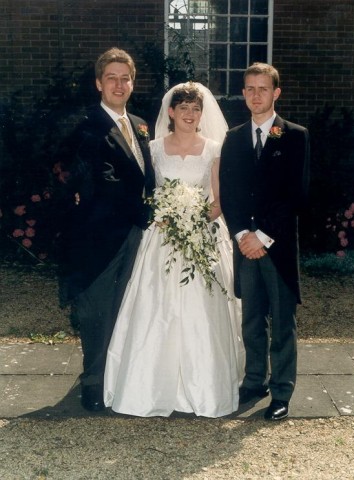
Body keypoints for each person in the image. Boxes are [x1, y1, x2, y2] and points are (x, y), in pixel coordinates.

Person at [103, 82, 244, 418]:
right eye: (184, 109)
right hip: (161, 237)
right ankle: (149, 386)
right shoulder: (153, 148)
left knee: (204, 311)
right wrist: (166, 216)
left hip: (201, 235)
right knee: (155, 308)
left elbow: (219, 200)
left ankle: (205, 388)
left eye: (196, 109)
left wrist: (194, 220)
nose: (190, 115)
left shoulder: (214, 148)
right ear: (171, 112)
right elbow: (146, 194)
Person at [57, 48, 155, 412]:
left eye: (124, 78)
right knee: (96, 311)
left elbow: (147, 176)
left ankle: (118, 377)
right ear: (99, 83)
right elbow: (104, 182)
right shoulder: (88, 127)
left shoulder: (140, 124)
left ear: (132, 83)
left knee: (126, 307)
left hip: (134, 234)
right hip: (98, 239)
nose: (118, 84)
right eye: (111, 78)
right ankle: (93, 384)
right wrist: (148, 211)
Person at [219, 63, 310, 421]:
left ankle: (282, 390)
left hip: (277, 245)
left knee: (282, 321)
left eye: (263, 88)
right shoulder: (234, 137)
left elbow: (295, 194)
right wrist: (242, 234)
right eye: (250, 89)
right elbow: (229, 192)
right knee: (252, 319)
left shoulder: (295, 136)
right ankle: (255, 380)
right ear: (243, 93)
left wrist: (263, 236)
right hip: (245, 245)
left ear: (276, 93)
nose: (256, 95)